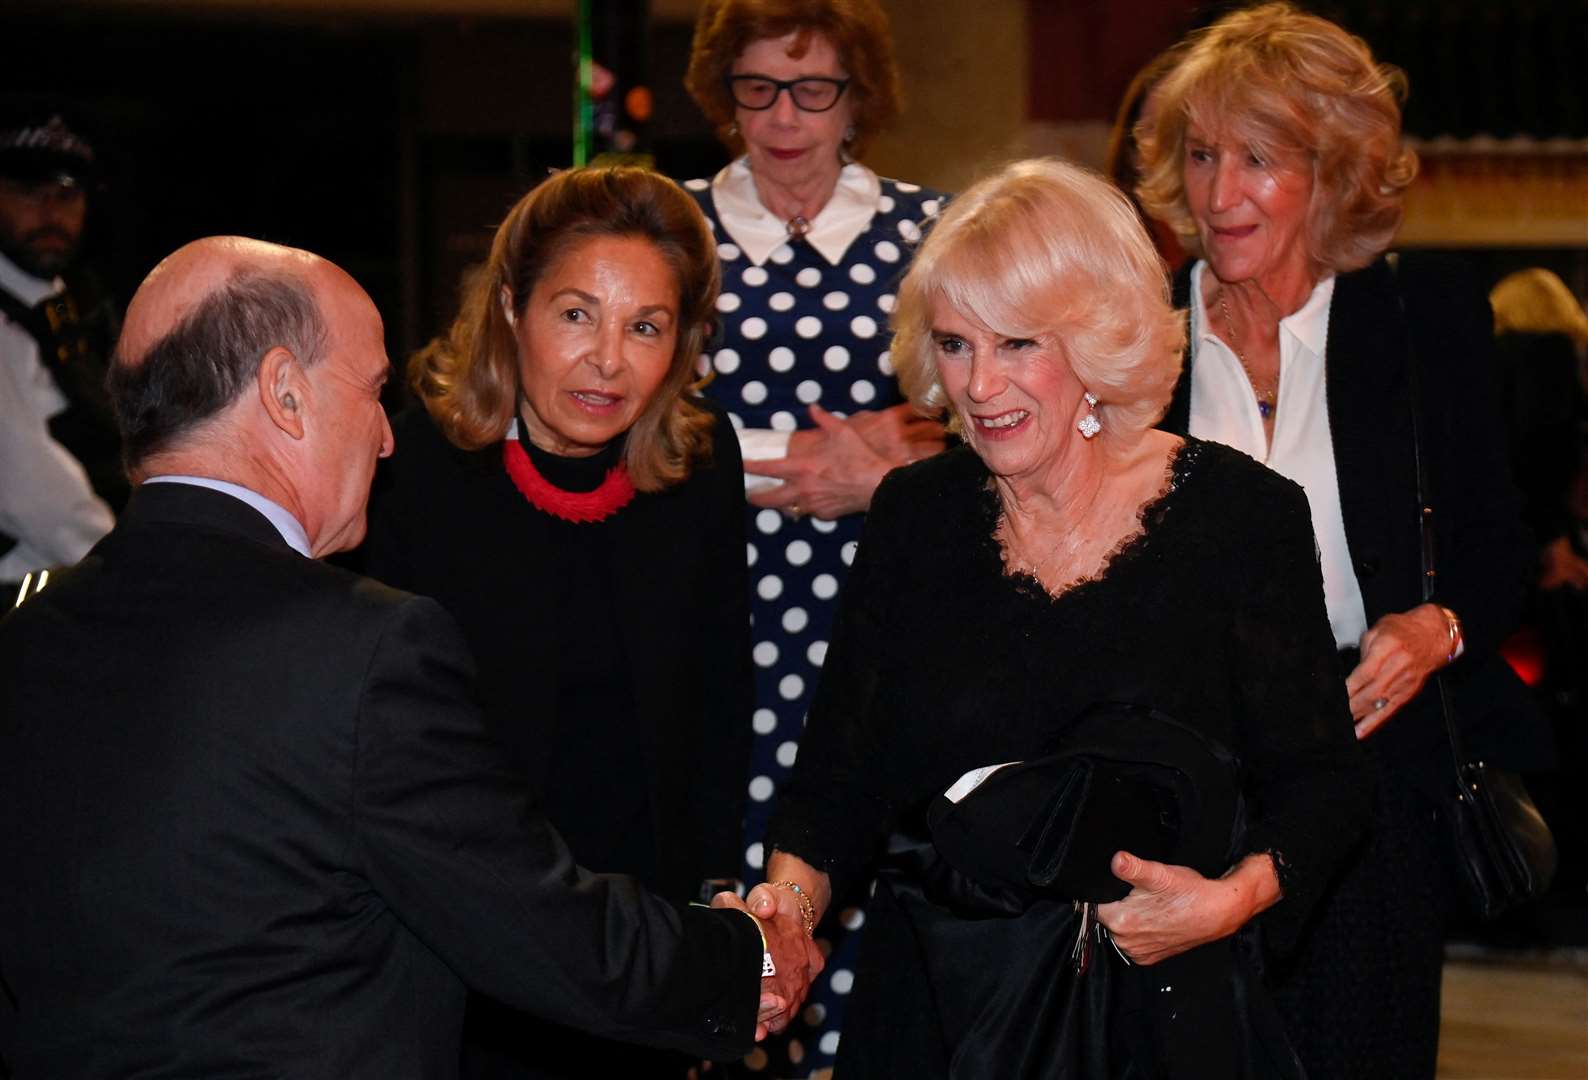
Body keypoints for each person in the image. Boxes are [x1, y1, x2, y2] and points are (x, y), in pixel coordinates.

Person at [0, 235, 821, 1077]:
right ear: (285, 392)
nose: (387, 441)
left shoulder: (26, 630)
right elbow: (533, 924)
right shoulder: (362, 650)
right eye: (371, 391)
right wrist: (744, 956)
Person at [747, 158, 1371, 1078]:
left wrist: (1227, 903)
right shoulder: (917, 516)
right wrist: (786, 917)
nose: (981, 384)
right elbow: (839, 780)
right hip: (939, 1015)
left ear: (1096, 342)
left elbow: (1324, 787)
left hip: (1154, 1016)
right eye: (956, 345)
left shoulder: (1240, 520)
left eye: (1018, 345)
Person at [1134, 6, 1553, 1076]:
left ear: (1332, 174)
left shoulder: (1419, 325)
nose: (1219, 194)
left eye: (1260, 161)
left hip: (1371, 780)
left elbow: (1498, 549)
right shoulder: (1134, 332)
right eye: (1200, 155)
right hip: (1178, 780)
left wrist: (1436, 627)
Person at [357, 166, 757, 1079]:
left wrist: (706, 914)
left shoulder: (700, 461)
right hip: (455, 935)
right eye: (576, 314)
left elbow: (717, 696)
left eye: (645, 327)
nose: (608, 360)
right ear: (510, 307)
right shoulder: (413, 457)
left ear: (684, 343)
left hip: (635, 940)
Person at [681, 3, 947, 1064]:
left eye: (812, 89)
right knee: (726, 884)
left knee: (879, 873)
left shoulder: (932, 232)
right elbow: (632, 421)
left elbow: (989, 418)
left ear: (858, 97)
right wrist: (800, 462)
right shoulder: (676, 231)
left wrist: (891, 467)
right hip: (718, 616)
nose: (783, 117)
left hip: (892, 615)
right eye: (756, 88)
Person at [0, 103, 122, 593]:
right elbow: (34, 492)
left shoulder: (72, 310)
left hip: (73, 582)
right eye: (30, 193)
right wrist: (137, 566)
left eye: (67, 195)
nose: (52, 213)